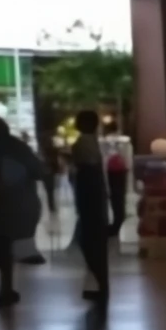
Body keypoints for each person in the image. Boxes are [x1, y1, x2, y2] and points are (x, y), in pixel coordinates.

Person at [0, 117, 43, 309]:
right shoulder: (19, 147)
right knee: (10, 241)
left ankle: (6, 289)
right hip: (21, 202)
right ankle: (7, 288)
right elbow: (38, 170)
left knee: (1, 243)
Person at [71, 110, 109, 307]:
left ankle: (99, 283)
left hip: (89, 200)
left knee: (89, 241)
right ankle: (99, 284)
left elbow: (87, 169)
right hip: (94, 200)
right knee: (94, 243)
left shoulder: (83, 143)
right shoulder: (92, 142)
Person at [106, 146, 129, 238]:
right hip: (119, 169)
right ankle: (118, 221)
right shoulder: (121, 146)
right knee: (118, 197)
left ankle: (117, 223)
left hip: (114, 170)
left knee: (116, 197)